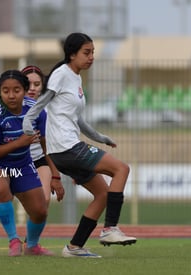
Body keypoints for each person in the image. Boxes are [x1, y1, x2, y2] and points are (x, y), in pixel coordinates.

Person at [22, 32, 137, 258]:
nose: (91, 57)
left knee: (103, 194)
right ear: (72, 54)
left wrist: (100, 137)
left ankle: (74, 247)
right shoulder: (61, 74)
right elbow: (42, 101)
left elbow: (78, 119)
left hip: (65, 149)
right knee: (121, 169)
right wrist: (28, 121)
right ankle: (110, 229)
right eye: (86, 52)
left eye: (93, 52)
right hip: (67, 147)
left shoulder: (76, 78)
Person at [0, 66, 64, 253]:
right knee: (1, 187)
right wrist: (19, 142)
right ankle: (13, 240)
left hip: (21, 164)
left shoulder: (37, 111)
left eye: (16, 90)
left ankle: (31, 246)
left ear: (25, 91)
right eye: (5, 91)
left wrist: (55, 176)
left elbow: (47, 146)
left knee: (40, 210)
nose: (11, 95)